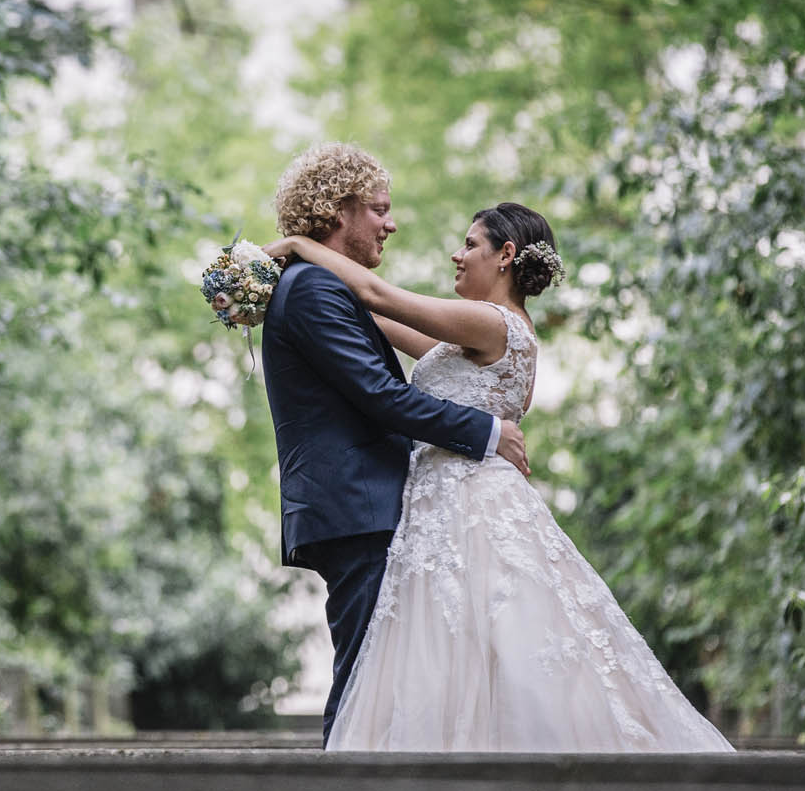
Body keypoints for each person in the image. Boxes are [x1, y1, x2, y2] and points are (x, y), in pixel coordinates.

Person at [265, 202, 734, 753]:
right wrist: (274, 285)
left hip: (468, 504)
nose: (457, 255)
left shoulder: (491, 323)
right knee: (461, 644)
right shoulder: (472, 338)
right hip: (444, 501)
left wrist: (298, 247)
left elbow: (377, 297)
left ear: (506, 255)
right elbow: (372, 319)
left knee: (480, 638)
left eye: (470, 245)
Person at [260, 144, 529, 746]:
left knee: (385, 683)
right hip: (357, 509)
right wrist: (489, 433)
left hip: (376, 508)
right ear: (338, 211)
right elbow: (382, 396)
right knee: (364, 684)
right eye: (379, 209)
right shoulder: (312, 291)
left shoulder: (327, 287)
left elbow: (393, 324)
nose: (392, 222)